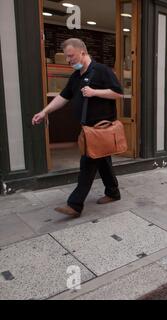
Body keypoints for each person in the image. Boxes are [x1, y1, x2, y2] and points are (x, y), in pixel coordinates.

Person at [32, 38, 124, 218]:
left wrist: (94, 92)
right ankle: (113, 192)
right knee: (103, 162)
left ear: (82, 52)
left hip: (100, 129)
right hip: (88, 129)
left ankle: (75, 205)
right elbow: (63, 96)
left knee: (87, 165)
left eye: (71, 56)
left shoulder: (101, 71)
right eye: (66, 57)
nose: (68, 60)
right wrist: (45, 112)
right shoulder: (76, 76)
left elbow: (119, 93)